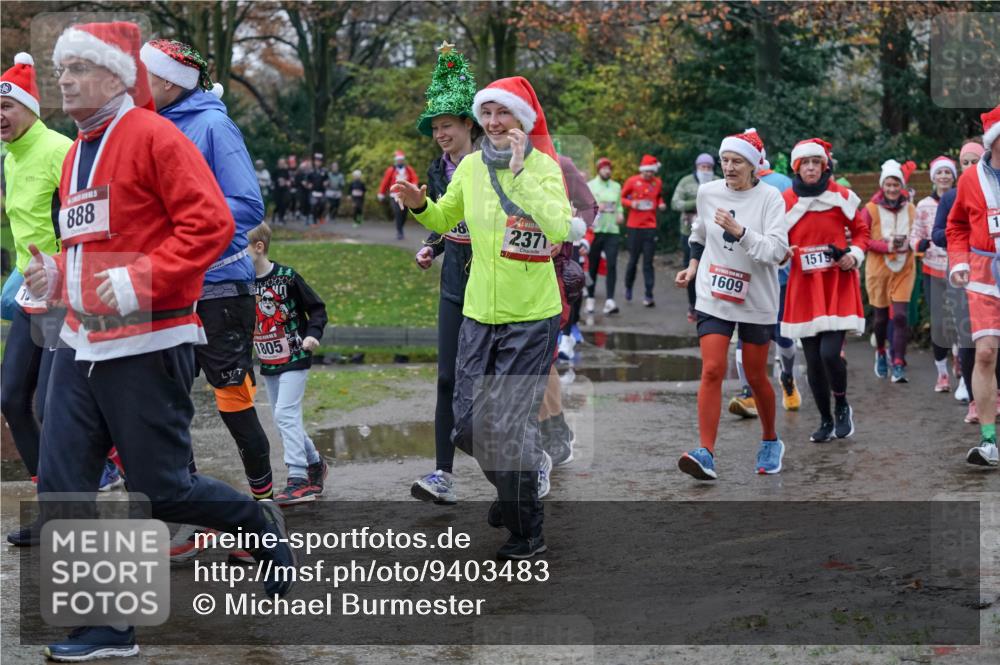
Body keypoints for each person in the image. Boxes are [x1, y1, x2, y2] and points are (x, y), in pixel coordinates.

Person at [27, 21, 295, 660]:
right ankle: (107, 627)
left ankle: (255, 522)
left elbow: (212, 224)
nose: (64, 80)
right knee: (62, 484)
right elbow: (89, 244)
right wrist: (56, 274)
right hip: (82, 340)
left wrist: (141, 278)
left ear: (116, 76)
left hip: (150, 342)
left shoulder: (154, 135)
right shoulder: (75, 151)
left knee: (162, 488)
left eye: (78, 68)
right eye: (61, 69)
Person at [392, 76, 582, 559]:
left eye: (504, 113)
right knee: (468, 424)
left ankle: (527, 531)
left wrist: (519, 173)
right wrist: (419, 204)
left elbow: (560, 225)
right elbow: (444, 217)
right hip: (478, 313)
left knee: (510, 427)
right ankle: (515, 490)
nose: (494, 123)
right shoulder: (471, 167)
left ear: (522, 119)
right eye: (488, 114)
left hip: (531, 317)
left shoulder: (543, 167)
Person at [142, 39, 277, 566]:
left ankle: (264, 517)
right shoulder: (153, 126)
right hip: (170, 291)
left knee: (233, 405)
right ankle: (202, 518)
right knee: (168, 407)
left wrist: (180, 225)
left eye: (146, 74)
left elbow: (247, 205)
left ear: (169, 81)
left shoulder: (214, 126)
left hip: (220, 289)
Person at [674, 128, 789, 480]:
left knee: (754, 375)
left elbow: (777, 252)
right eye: (724, 160)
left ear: (753, 165)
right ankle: (705, 452)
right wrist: (693, 266)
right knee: (712, 369)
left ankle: (770, 439)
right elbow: (699, 234)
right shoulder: (708, 193)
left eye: (737, 161)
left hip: (757, 297)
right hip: (714, 292)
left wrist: (740, 231)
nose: (728, 167)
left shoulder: (770, 198)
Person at [0, 52, 79, 544]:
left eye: (6, 107)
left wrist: (63, 270)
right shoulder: (9, 157)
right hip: (31, 289)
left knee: (52, 406)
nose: (0, 117)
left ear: (30, 107)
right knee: (10, 398)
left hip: (64, 291)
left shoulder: (59, 150)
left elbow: (85, 222)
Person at [410, 42, 479, 505]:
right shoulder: (437, 170)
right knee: (446, 380)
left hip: (493, 289)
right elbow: (443, 220)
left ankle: (525, 465)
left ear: (468, 124)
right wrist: (430, 247)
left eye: (447, 125)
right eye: (435, 128)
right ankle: (442, 474)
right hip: (454, 285)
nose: (440, 134)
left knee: (493, 387)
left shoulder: (494, 166)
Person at [779, 138, 870, 442]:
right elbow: (776, 240)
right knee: (814, 361)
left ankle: (842, 404)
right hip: (804, 286)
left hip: (836, 283)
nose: (810, 168)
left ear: (824, 165)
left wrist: (853, 255)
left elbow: (861, 232)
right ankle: (825, 419)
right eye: (805, 163)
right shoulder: (786, 200)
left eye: (815, 163)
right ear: (797, 167)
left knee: (830, 354)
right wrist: (782, 253)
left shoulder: (840, 196)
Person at [248, 222, 330, 499]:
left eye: (239, 247)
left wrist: (313, 335)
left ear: (259, 247)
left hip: (296, 355)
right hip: (268, 361)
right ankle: (315, 464)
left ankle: (298, 478)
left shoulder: (287, 277)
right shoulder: (243, 284)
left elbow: (317, 309)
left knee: (285, 414)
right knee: (284, 419)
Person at [728, 155, 801, 417]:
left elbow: (794, 224)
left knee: (781, 332)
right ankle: (748, 394)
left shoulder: (782, 185)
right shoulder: (731, 187)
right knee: (745, 332)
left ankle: (787, 378)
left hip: (777, 274)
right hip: (744, 274)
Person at [947, 106, 1000, 467]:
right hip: (983, 272)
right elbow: (956, 226)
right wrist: (959, 262)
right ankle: (988, 440)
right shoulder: (969, 180)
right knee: (984, 353)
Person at [933, 141, 999, 422]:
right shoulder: (958, 191)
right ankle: (976, 404)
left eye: (974, 160)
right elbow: (946, 230)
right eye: (965, 162)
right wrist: (964, 253)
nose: (970, 165)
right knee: (975, 344)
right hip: (973, 274)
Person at [862, 159, 918, 383]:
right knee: (881, 318)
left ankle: (898, 363)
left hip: (904, 268)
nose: (892, 189)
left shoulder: (911, 208)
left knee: (901, 316)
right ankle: (881, 352)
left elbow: (917, 233)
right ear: (882, 186)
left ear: (901, 186)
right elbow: (863, 239)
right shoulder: (870, 209)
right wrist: (886, 246)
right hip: (878, 270)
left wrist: (912, 243)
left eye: (896, 185)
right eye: (888, 185)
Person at [910, 154, 957, 392]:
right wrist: (919, 244)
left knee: (960, 320)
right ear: (933, 177)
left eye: (948, 172)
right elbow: (915, 235)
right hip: (933, 269)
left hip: (958, 269)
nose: (944, 176)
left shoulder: (961, 200)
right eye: (940, 172)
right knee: (938, 322)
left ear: (954, 176)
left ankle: (959, 358)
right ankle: (942, 374)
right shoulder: (923, 205)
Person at [671, 153, 719, 321]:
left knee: (713, 268)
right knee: (692, 267)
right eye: (702, 167)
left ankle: (711, 305)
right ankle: (693, 304)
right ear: (697, 167)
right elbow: (675, 203)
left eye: (709, 167)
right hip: (689, 231)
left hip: (714, 234)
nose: (705, 170)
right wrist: (697, 202)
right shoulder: (686, 182)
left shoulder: (718, 181)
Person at [622, 155, 667, 307]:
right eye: (647, 171)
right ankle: (628, 287)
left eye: (651, 172)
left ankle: (649, 294)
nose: (649, 174)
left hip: (650, 227)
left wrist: (661, 204)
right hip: (634, 227)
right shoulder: (632, 181)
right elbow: (621, 198)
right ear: (642, 170)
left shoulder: (657, 182)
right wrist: (631, 203)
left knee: (648, 263)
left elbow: (659, 197)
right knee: (633, 260)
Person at [586, 157, 625, 316]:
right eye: (604, 168)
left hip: (612, 230)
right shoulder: (590, 185)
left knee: (612, 265)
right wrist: (597, 207)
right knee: (593, 266)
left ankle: (610, 300)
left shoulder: (616, 186)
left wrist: (620, 214)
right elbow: (584, 205)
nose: (607, 171)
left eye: (609, 168)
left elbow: (619, 205)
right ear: (598, 170)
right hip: (595, 230)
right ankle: (590, 298)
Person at [378, 150, 418, 239]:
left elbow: (414, 178)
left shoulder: (408, 169)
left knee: (404, 214)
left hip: (406, 195)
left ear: (403, 160)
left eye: (401, 160)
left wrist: (414, 185)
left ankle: (400, 227)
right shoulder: (391, 170)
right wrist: (381, 193)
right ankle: (399, 231)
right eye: (398, 160)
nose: (400, 161)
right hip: (394, 195)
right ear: (396, 161)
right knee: (398, 212)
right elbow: (385, 181)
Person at [273, 156, 291, 223]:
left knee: (284, 203)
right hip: (277, 190)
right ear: (278, 163)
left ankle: (281, 218)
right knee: (278, 204)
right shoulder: (275, 170)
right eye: (280, 163)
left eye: (283, 163)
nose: (282, 164)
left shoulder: (286, 170)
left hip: (284, 190)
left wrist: (287, 182)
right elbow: (272, 179)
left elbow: (289, 179)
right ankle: (275, 214)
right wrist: (278, 180)